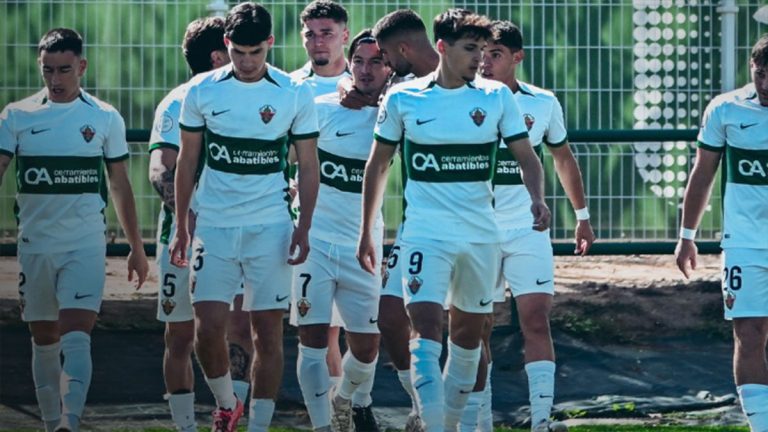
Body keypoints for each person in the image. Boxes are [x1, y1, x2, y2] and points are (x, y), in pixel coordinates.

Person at [358, 9, 549, 432]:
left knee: (467, 343)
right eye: (470, 49)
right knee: (424, 329)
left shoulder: (496, 98)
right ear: (442, 47)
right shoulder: (404, 99)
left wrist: (537, 198)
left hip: (482, 238)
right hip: (426, 235)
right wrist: (366, 232)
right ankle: (432, 423)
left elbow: (528, 159)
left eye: (483, 50)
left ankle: (450, 421)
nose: (479, 59)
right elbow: (378, 166)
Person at [168, 3, 319, 431]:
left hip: (269, 227)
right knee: (207, 328)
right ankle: (227, 403)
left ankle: (257, 426)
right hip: (213, 225)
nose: (248, 61)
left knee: (267, 334)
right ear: (226, 45)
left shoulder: (293, 92)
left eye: (256, 52)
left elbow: (308, 165)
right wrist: (181, 225)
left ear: (270, 44)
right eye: (239, 52)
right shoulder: (202, 89)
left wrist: (303, 225)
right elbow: (188, 160)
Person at [0, 28, 149, 432]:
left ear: (81, 67)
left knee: (77, 332)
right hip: (35, 246)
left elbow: (120, 183)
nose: (56, 79)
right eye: (48, 70)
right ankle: (52, 423)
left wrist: (136, 246)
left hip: (84, 244)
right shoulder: (16, 116)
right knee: (44, 338)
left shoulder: (102, 117)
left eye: (65, 69)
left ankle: (71, 420)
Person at [458, 20, 596, 432]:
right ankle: (477, 421)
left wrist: (582, 217)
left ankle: (541, 420)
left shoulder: (542, 103)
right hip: (475, 230)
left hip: (526, 229)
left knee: (536, 318)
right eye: (481, 53)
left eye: (495, 54)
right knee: (476, 324)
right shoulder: (460, 98)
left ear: (517, 58)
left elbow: (563, 158)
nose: (485, 62)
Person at [148, 16, 253, 431]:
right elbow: (160, 169)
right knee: (180, 335)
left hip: (240, 235)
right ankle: (185, 427)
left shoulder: (248, 97)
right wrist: (188, 218)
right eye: (234, 47)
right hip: (185, 240)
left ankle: (230, 421)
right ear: (217, 55)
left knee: (239, 327)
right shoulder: (178, 101)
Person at [292, 29, 390, 432]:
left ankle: (344, 401)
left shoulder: (394, 110)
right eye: (359, 62)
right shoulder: (319, 107)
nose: (365, 70)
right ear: (348, 63)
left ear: (389, 67)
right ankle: (323, 427)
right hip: (315, 241)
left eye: (376, 62)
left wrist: (373, 96)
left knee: (367, 347)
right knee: (312, 341)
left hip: (362, 245)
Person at [676, 34, 768, 432]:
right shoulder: (726, 108)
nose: (766, 85)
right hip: (744, 243)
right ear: (752, 68)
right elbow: (702, 174)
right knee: (749, 333)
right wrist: (686, 234)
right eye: (761, 74)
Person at [363, 9, 439, 431]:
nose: (384, 65)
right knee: (391, 316)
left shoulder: (472, 87)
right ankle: (422, 410)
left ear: (404, 48)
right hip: (417, 227)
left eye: (388, 56)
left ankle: (466, 418)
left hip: (471, 226)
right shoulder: (402, 92)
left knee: (468, 329)